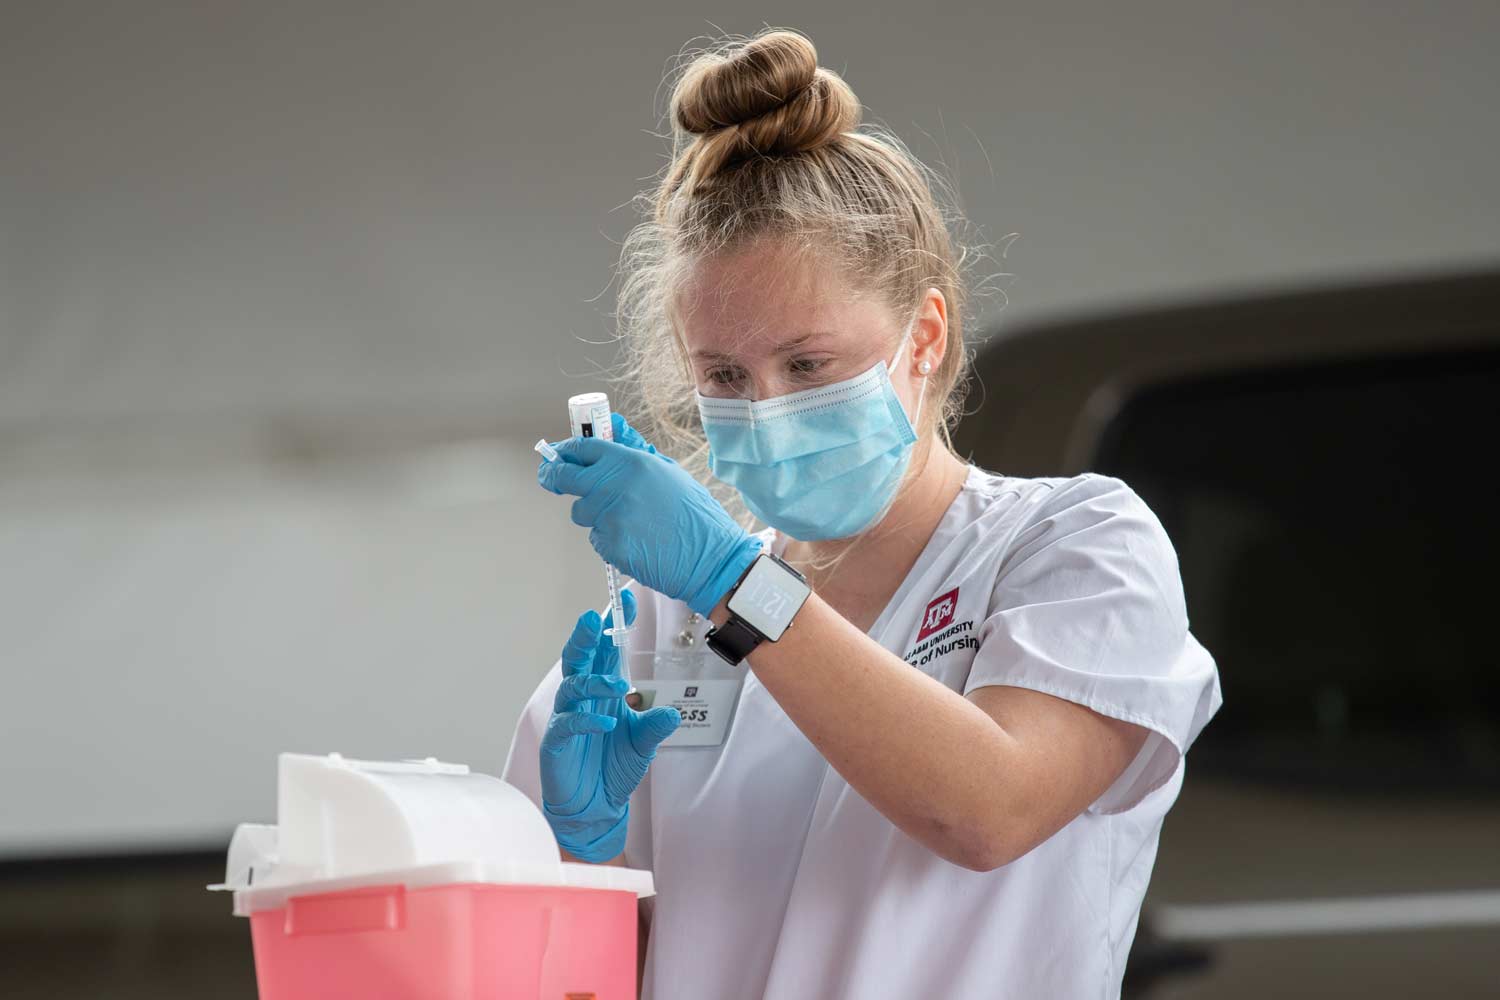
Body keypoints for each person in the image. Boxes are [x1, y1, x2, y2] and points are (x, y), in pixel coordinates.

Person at [502, 27, 1221, 1000]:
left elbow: (986, 809)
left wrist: (731, 583)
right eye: (725, 374)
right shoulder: (658, 625)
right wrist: (579, 863)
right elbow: (557, 980)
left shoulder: (1074, 548)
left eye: (808, 364)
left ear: (924, 336)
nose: (766, 408)